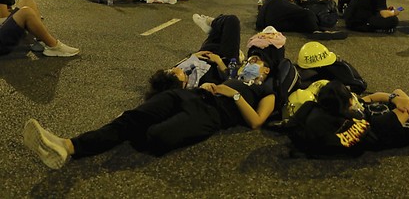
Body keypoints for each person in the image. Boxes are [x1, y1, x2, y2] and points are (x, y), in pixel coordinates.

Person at [23, 53, 275, 169]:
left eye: (257, 62)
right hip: (193, 96)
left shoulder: (267, 92)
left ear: (266, 71)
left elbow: (256, 122)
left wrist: (236, 94)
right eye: (250, 61)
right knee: (133, 118)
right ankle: (68, 145)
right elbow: (221, 76)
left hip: (212, 116)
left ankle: (120, 132)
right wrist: (213, 83)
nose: (251, 64)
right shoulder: (234, 76)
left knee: (154, 137)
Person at [0, 0, 79, 57]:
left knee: (28, 2)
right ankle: (54, 46)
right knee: (26, 12)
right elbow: (2, 18)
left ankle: (41, 40)